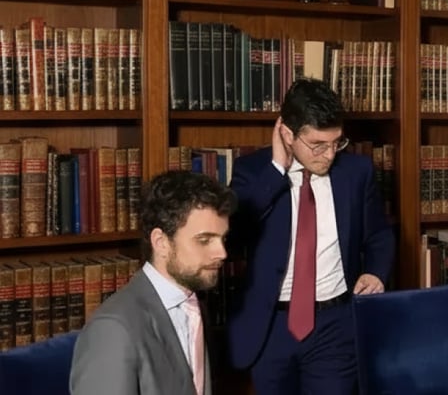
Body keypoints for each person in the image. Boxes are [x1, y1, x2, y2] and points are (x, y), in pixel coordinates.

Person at [227, 77, 396, 395]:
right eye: (318, 145)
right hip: (270, 327)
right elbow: (234, 238)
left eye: (337, 142)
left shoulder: (356, 172)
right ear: (287, 134)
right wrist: (277, 169)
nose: (330, 154)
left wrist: (375, 270)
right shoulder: (252, 172)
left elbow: (379, 235)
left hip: (335, 325)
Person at [70, 170, 237, 395]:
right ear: (161, 242)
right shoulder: (114, 329)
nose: (222, 253)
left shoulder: (195, 307)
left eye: (223, 238)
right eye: (204, 240)